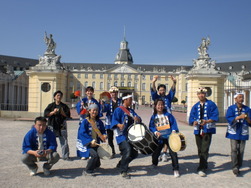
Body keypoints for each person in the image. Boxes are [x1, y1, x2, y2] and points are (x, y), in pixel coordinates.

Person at [189, 87, 219, 177]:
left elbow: (215, 116)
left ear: (205, 94)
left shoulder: (211, 104)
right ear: (197, 95)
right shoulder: (195, 106)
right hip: (198, 130)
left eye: (202, 94)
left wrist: (207, 121)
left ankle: (201, 168)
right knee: (199, 149)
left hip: (207, 129)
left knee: (204, 149)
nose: (201, 95)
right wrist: (193, 121)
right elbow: (191, 117)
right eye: (199, 94)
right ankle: (204, 163)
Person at [111, 92, 142, 179]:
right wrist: (118, 124)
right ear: (125, 100)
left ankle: (121, 163)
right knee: (127, 150)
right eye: (130, 100)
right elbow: (114, 120)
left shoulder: (131, 111)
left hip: (129, 135)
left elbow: (138, 118)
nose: (131, 101)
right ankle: (123, 170)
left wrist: (137, 119)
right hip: (121, 136)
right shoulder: (118, 110)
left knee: (134, 153)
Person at [149, 99, 180, 177]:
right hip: (160, 138)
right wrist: (156, 132)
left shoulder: (168, 115)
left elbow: (173, 123)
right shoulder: (153, 117)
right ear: (155, 106)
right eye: (158, 105)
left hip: (169, 137)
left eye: (162, 105)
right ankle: (154, 163)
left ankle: (175, 169)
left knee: (173, 153)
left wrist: (173, 130)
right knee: (156, 152)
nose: (160, 106)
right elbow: (151, 126)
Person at [151, 75, 176, 162]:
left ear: (165, 90)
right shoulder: (156, 97)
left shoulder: (168, 97)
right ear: (159, 91)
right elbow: (153, 91)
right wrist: (153, 82)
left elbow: (172, 90)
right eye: (160, 90)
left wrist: (174, 82)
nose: (162, 91)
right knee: (158, 134)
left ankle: (164, 152)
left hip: (167, 118)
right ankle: (158, 152)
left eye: (163, 90)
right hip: (158, 118)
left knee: (167, 135)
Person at [76, 104, 107, 176]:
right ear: (89, 111)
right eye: (93, 110)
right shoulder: (85, 122)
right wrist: (90, 141)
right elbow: (82, 133)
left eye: (96, 110)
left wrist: (104, 135)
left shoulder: (99, 122)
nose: (95, 112)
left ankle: (95, 166)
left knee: (98, 155)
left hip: (96, 142)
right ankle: (87, 170)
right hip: (88, 144)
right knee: (94, 155)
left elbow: (102, 130)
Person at [225, 93, 251, 176]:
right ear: (235, 99)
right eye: (240, 97)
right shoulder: (231, 108)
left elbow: (250, 122)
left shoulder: (247, 109)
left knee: (241, 150)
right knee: (234, 149)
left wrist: (247, 119)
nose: (241, 99)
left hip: (243, 132)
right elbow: (228, 118)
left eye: (242, 97)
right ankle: (235, 166)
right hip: (233, 132)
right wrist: (238, 117)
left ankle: (239, 164)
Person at [44, 90, 71, 161]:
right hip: (52, 125)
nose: (59, 97)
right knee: (51, 140)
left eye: (60, 95)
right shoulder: (51, 105)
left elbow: (68, 116)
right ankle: (51, 155)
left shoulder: (64, 106)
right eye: (57, 95)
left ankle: (65, 156)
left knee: (64, 141)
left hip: (62, 125)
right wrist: (53, 112)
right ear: (54, 97)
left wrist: (62, 113)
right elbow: (46, 114)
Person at [102, 86, 122, 158]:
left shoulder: (121, 101)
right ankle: (112, 152)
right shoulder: (107, 101)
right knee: (110, 138)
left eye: (115, 92)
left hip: (118, 122)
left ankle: (122, 150)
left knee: (120, 136)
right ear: (110, 94)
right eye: (112, 93)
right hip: (109, 122)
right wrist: (102, 105)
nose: (114, 94)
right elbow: (104, 111)